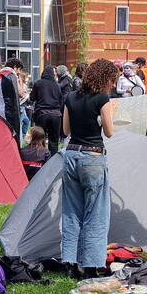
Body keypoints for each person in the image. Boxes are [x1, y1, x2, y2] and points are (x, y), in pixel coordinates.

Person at [61, 58, 116, 278]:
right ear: (105, 79)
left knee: (72, 211)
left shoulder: (70, 97)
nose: (113, 85)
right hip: (93, 156)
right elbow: (110, 132)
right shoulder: (103, 99)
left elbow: (65, 130)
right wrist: (112, 112)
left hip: (71, 154)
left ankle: (71, 262)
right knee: (95, 214)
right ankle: (91, 266)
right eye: (112, 80)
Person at [31, 65, 63, 155]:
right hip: (56, 115)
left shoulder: (38, 83)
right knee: (54, 141)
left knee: (40, 139)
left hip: (42, 114)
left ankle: (40, 157)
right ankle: (52, 161)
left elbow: (32, 98)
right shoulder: (56, 85)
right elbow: (61, 100)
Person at [0, 58, 23, 146]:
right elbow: (19, 94)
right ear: (15, 67)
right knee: (12, 139)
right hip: (10, 113)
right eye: (19, 70)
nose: (19, 73)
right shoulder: (11, 75)